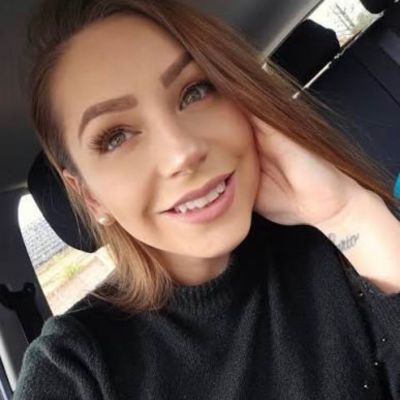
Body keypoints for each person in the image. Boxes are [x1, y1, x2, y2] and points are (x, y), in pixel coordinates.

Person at [14, 0, 400, 398]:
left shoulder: (339, 240)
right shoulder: (74, 368)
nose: (182, 152)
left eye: (194, 92)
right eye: (116, 137)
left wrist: (347, 214)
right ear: (91, 197)